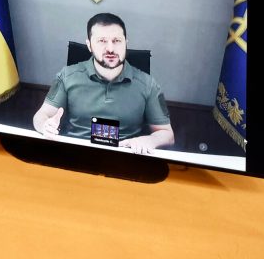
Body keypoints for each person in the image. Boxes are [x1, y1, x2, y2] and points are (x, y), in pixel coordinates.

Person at [32, 13, 174, 154]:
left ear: (126, 43)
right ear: (89, 45)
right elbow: (41, 115)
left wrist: (150, 140)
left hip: (125, 156)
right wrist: (45, 125)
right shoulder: (66, 76)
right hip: (75, 153)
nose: (110, 49)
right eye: (102, 41)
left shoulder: (149, 85)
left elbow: (167, 134)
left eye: (117, 41)